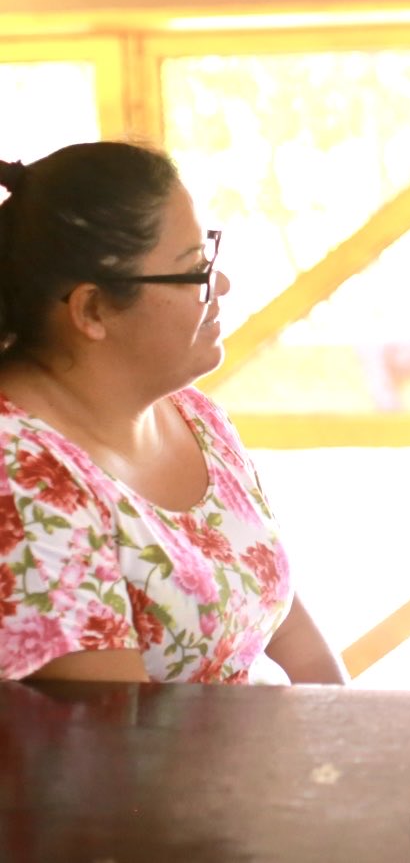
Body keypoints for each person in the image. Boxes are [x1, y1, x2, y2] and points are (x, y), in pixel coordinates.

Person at [0, 142, 345, 685]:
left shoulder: (195, 417)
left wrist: (349, 733)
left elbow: (298, 643)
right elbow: (114, 730)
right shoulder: (22, 478)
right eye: (195, 271)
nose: (220, 285)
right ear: (92, 309)